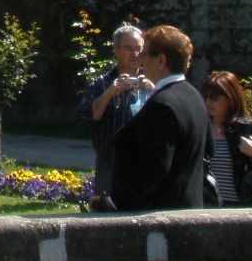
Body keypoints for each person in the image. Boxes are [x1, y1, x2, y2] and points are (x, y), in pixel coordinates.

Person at [101, 24, 213, 212]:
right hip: (191, 209)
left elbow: (155, 168)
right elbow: (210, 149)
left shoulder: (162, 104)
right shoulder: (194, 96)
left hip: (160, 218)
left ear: (161, 60)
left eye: (144, 54)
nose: (140, 61)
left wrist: (114, 204)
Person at [76, 23, 153, 196]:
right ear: (116, 50)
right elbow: (86, 117)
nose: (135, 54)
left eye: (138, 48)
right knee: (106, 215)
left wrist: (153, 90)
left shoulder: (152, 80)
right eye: (128, 48)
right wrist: (110, 92)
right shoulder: (102, 83)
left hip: (144, 162)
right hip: (110, 163)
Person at [201, 71, 252, 206]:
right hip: (206, 205)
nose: (208, 101)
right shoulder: (201, 127)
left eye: (214, 97)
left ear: (230, 98)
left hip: (238, 207)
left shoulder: (249, 128)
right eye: (206, 96)